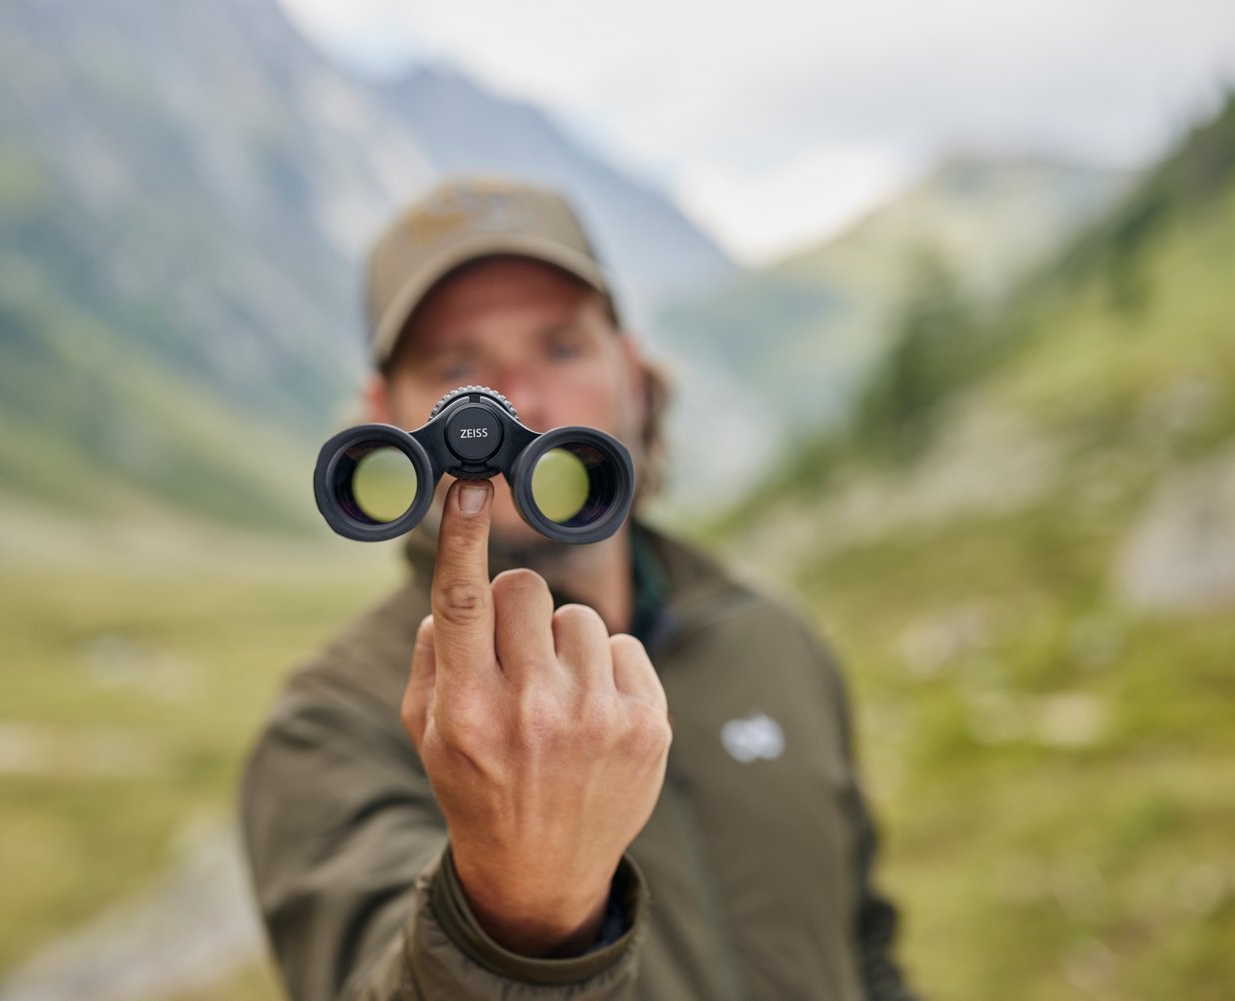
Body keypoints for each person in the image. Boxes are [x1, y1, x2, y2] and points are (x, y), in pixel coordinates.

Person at [241, 177, 919, 1000]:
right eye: (457, 366)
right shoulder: (332, 723)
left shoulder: (769, 637)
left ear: (630, 370)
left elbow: (863, 945)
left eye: (561, 347)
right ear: (387, 413)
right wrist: (516, 917)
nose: (517, 401)